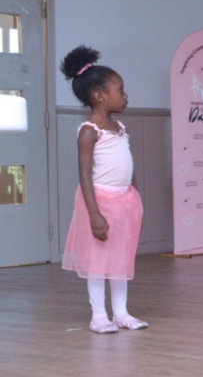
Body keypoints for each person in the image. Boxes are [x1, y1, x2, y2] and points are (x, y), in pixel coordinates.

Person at [60, 46, 148, 334]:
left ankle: (121, 312)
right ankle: (99, 315)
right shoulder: (89, 131)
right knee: (98, 261)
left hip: (124, 202)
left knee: (121, 258)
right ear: (100, 96)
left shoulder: (119, 127)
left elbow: (127, 164)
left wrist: (134, 196)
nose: (125, 95)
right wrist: (94, 213)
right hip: (99, 202)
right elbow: (85, 175)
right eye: (120, 90)